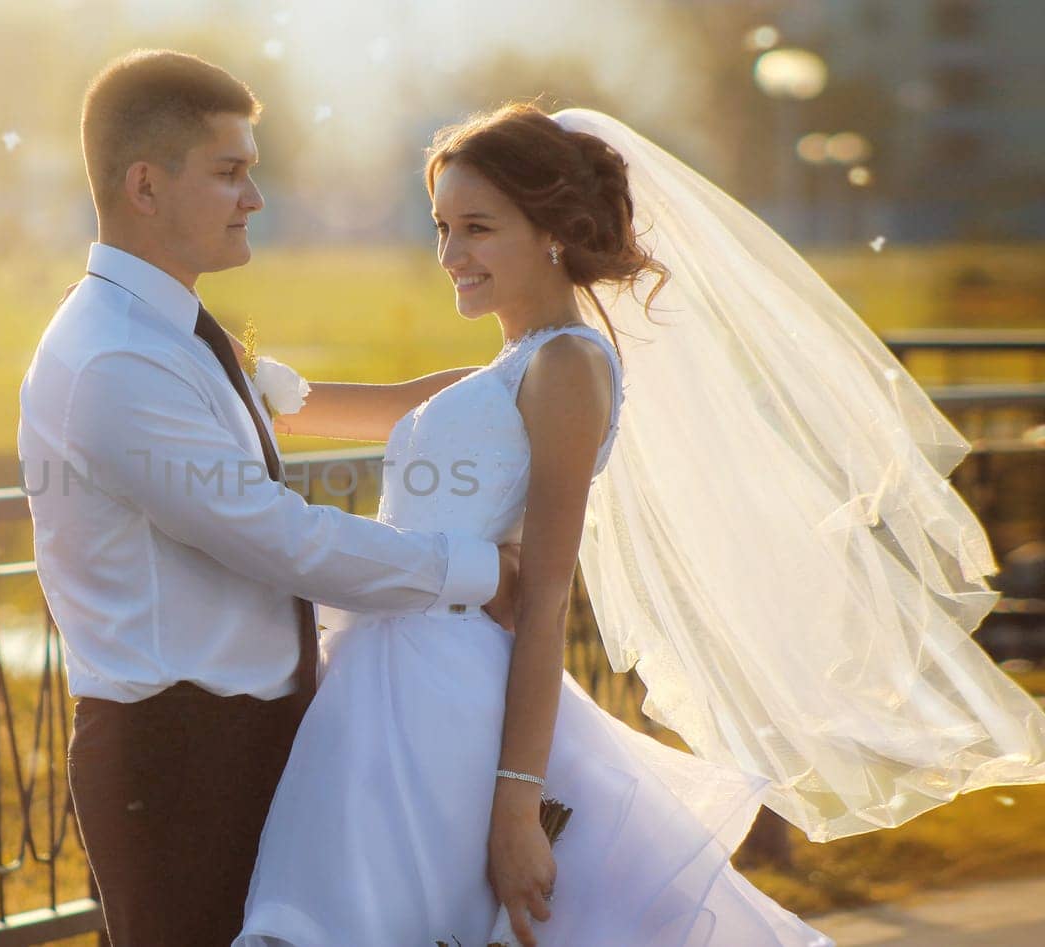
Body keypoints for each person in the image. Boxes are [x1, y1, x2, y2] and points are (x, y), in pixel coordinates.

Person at [236, 103, 1045, 947]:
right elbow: (317, 410)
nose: (451, 255)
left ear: (552, 230)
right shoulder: (495, 372)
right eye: (442, 227)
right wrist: (218, 363)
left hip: (454, 690)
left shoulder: (569, 366)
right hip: (389, 679)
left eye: (477, 228)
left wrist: (518, 801)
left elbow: (546, 596)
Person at [16, 50, 523, 947]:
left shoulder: (161, 325)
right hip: (180, 756)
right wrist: (478, 570)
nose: (255, 197)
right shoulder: (116, 356)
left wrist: (502, 388)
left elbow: (268, 439)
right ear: (145, 185)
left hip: (241, 738)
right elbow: (275, 539)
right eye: (230, 172)